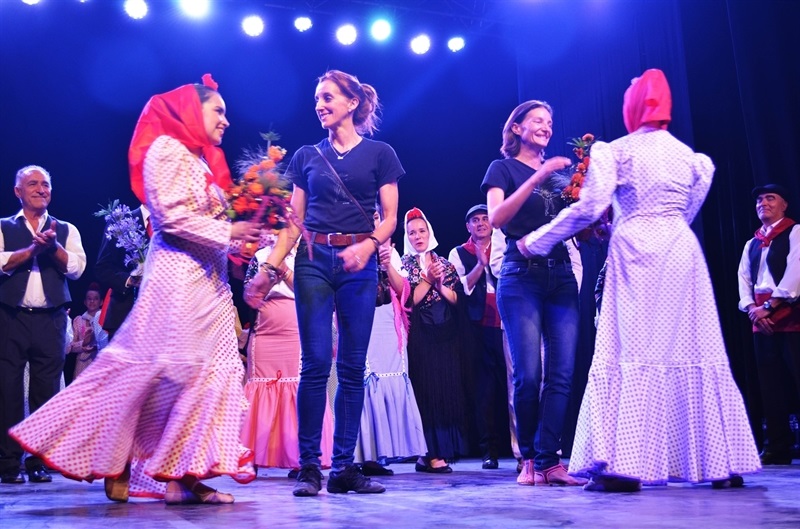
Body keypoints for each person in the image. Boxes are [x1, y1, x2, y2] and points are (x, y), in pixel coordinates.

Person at [10, 74, 262, 504]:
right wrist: (230, 231)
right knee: (161, 373)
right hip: (177, 283)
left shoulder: (203, 164)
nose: (226, 121)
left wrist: (247, 236)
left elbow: (214, 226)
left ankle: (185, 472)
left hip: (211, 288)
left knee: (206, 377)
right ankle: (119, 456)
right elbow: (170, 219)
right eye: (218, 111)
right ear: (192, 110)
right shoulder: (166, 150)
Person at [518, 68, 761, 490]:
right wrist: (656, 226)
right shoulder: (692, 159)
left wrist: (536, 241)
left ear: (633, 106)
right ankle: (720, 463)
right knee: (694, 347)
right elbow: (686, 211)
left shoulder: (617, 151)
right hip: (680, 251)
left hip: (635, 253)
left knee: (631, 350)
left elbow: (588, 207)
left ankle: (626, 465)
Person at [245, 69, 402, 496]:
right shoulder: (307, 156)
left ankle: (344, 468)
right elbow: (292, 225)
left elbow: (390, 218)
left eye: (328, 97)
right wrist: (267, 271)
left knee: (352, 367)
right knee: (314, 364)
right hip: (313, 260)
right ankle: (310, 467)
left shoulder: (380, 153)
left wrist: (368, 247)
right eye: (317, 98)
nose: (320, 105)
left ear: (352, 102)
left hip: (358, 264)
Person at [481, 101, 585, 486]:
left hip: (561, 274)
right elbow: (497, 217)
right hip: (519, 275)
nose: (546, 126)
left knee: (561, 373)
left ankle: (550, 460)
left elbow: (570, 225)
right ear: (517, 128)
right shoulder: (502, 168)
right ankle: (527, 456)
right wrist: (538, 175)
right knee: (528, 374)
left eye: (550, 122)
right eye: (537, 120)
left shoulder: (563, 176)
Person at [0, 165, 87, 485]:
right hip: (10, 317)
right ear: (18, 192)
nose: (41, 189)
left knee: (46, 393)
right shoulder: (3, 226)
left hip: (51, 319)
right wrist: (32, 250)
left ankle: (38, 461)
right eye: (33, 184)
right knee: (7, 391)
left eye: (46, 184)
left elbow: (77, 269)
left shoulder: (66, 229)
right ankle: (8, 463)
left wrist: (52, 248)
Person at [240, 236, 334, 473]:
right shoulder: (261, 256)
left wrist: (284, 271)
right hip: (265, 333)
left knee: (297, 387)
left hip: (297, 331)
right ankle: (252, 456)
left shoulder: (309, 254)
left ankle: (300, 457)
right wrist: (269, 276)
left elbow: (313, 294)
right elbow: (249, 295)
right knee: (261, 385)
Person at [355, 210, 427, 474]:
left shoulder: (392, 253)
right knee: (367, 380)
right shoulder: (353, 247)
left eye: (377, 217)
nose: (375, 221)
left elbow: (404, 291)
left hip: (388, 320)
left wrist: (387, 265)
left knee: (392, 377)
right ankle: (365, 456)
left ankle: (382, 453)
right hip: (362, 319)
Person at [401, 207, 471, 473]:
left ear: (429, 233)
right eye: (412, 233)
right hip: (420, 334)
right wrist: (428, 280)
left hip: (446, 332)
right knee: (425, 390)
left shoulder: (445, 263)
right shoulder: (403, 265)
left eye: (422, 231)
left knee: (446, 389)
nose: (418, 236)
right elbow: (409, 302)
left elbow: (456, 299)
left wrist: (440, 284)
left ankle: (437, 451)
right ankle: (428, 453)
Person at [737, 183, 799, 466]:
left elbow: (796, 272)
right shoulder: (752, 243)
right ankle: (777, 446)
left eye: (770, 198)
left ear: (784, 205)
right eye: (759, 200)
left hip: (790, 312)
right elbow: (744, 279)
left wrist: (770, 307)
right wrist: (752, 309)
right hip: (760, 318)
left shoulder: (795, 232)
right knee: (769, 385)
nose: (763, 203)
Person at [448, 204, 508, 470]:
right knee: (484, 391)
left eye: (485, 218)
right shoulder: (459, 252)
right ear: (468, 226)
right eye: (475, 220)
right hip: (477, 326)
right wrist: (480, 265)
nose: (481, 223)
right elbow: (459, 288)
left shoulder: (504, 246)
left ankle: (521, 449)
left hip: (505, 322)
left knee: (513, 386)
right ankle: (488, 451)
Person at [95, 203, 151, 340]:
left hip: (166, 319)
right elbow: (102, 267)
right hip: (125, 316)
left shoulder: (173, 225)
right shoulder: (120, 221)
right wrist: (130, 280)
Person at [68, 282, 109, 380]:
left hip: (99, 364)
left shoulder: (105, 320)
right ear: (85, 302)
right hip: (82, 366)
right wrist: (84, 343)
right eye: (89, 299)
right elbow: (71, 346)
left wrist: (97, 346)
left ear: (101, 302)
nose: (92, 301)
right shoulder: (78, 320)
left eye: (95, 298)